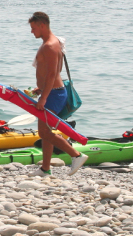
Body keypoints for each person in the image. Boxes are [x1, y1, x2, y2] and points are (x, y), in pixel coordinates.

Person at [28, 12, 88, 176]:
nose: (32, 31)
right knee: (46, 132)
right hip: (51, 91)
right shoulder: (52, 42)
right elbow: (52, 71)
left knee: (44, 133)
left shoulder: (50, 45)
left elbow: (53, 74)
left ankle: (76, 155)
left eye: (33, 28)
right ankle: (45, 169)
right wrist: (41, 89)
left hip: (53, 94)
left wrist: (45, 97)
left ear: (42, 25)